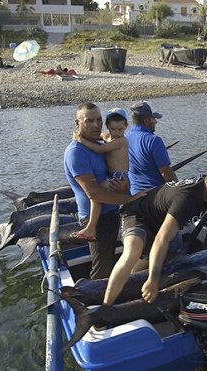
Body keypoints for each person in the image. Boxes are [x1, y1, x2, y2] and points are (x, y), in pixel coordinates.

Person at [102, 166, 207, 305]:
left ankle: (132, 285)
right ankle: (105, 307)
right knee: (133, 252)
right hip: (137, 214)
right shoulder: (187, 198)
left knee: (162, 264)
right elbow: (162, 239)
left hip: (163, 219)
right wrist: (154, 279)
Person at [64, 102, 143, 279]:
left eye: (99, 120)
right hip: (96, 220)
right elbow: (94, 193)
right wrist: (129, 199)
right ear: (77, 123)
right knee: (102, 268)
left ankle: (109, 293)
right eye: (89, 121)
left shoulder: (101, 143)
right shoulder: (77, 152)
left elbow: (120, 179)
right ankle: (94, 302)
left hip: (111, 213)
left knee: (109, 259)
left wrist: (125, 189)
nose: (95, 125)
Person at [72, 108, 130, 241]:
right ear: (108, 126)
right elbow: (96, 137)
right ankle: (92, 226)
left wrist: (80, 139)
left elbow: (100, 149)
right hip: (111, 174)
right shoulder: (106, 136)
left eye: (120, 129)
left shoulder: (121, 141)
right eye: (113, 129)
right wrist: (81, 134)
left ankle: (92, 226)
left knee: (96, 194)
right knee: (96, 195)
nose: (116, 133)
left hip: (119, 175)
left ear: (126, 127)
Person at [126, 101, 177, 194]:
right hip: (155, 195)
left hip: (134, 195)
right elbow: (166, 173)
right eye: (154, 118)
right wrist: (179, 191)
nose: (156, 122)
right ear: (146, 121)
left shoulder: (124, 139)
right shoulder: (154, 140)